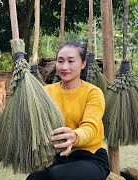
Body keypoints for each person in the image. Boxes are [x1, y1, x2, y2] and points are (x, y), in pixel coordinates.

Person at [26, 41, 110, 180]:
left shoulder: (93, 92)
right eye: (60, 61)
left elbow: (91, 127)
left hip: (90, 156)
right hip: (59, 156)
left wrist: (75, 136)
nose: (64, 66)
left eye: (71, 61)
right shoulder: (47, 91)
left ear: (83, 64)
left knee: (58, 174)